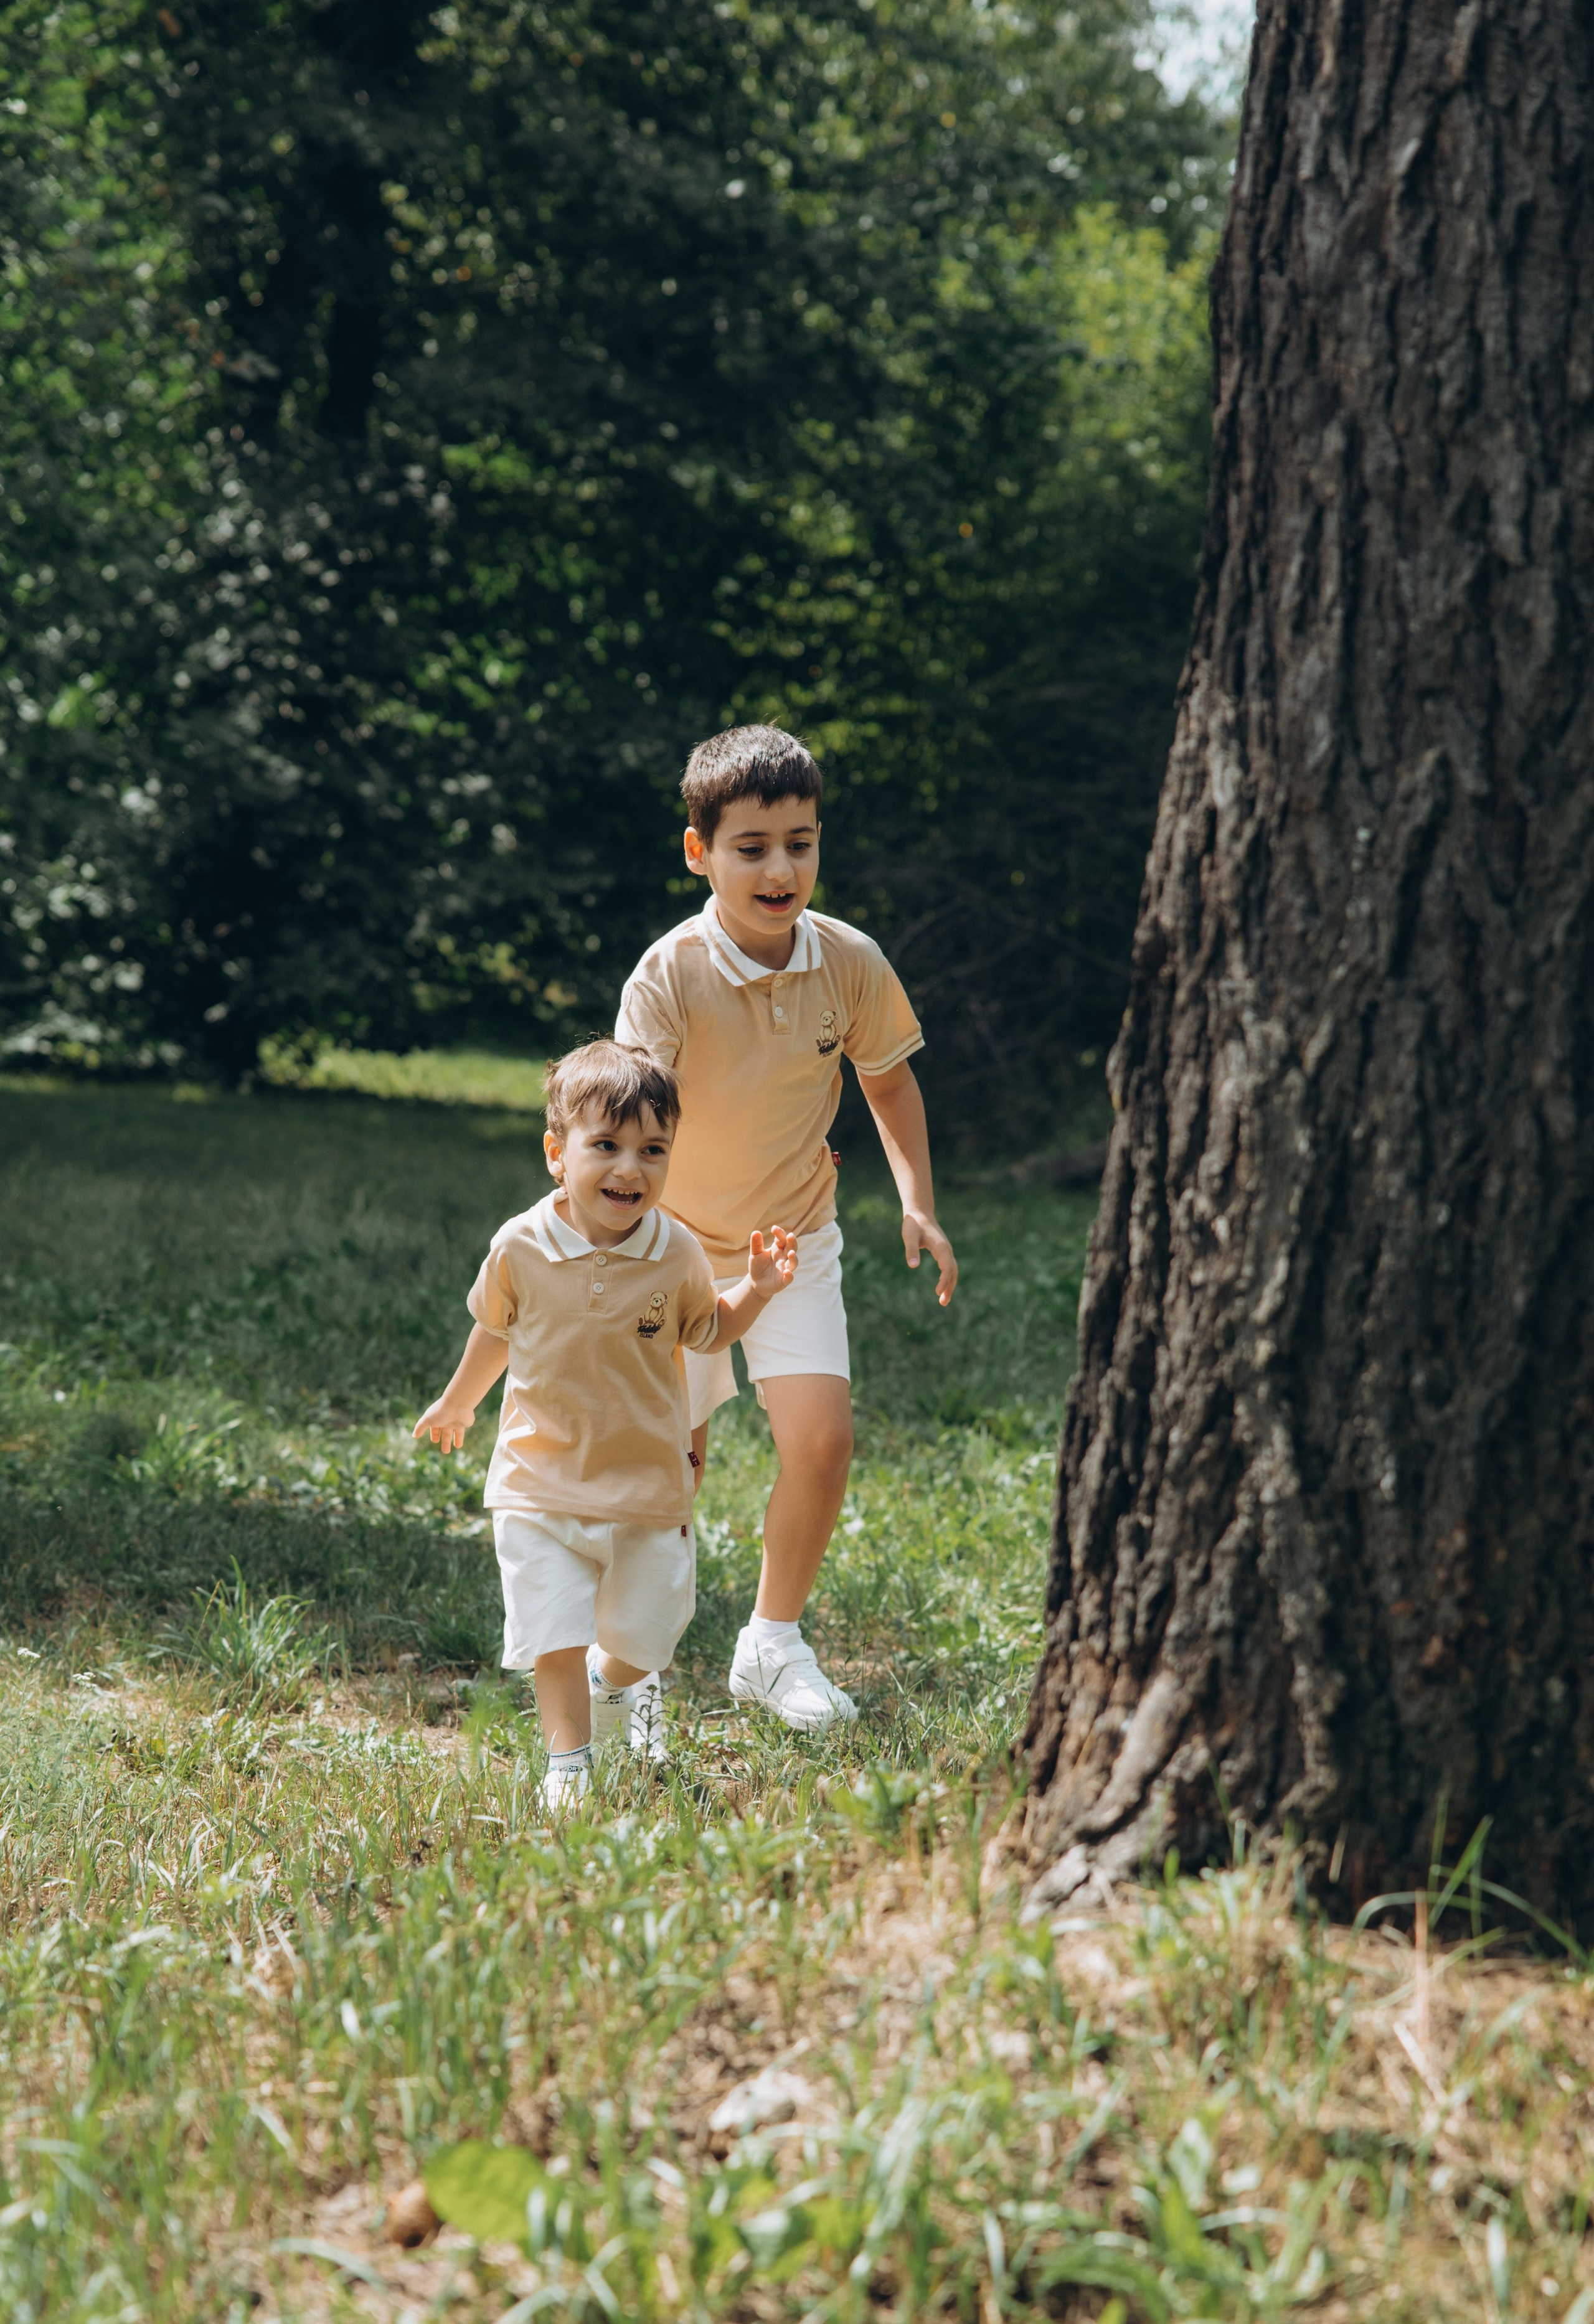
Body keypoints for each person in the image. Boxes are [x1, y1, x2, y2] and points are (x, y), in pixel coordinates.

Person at [615, 724, 958, 1733]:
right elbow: (630, 1115)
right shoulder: (670, 973)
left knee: (821, 1441)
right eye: (752, 846)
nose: (780, 868)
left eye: (800, 842)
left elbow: (887, 1080)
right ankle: (630, 1669)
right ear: (700, 854)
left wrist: (916, 1198)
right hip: (671, 1250)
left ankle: (772, 1643)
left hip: (792, 1241)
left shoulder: (848, 960)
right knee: (668, 1464)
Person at [413, 1038, 797, 1808]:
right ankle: (569, 1763)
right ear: (558, 1154)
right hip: (538, 1480)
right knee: (551, 1632)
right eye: (607, 1146)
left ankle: (614, 1683)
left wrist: (754, 1291)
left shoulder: (675, 1249)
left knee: (644, 1637)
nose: (630, 1168)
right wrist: (460, 1401)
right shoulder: (520, 1245)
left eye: (653, 1150)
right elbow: (495, 1328)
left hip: (646, 1486)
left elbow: (707, 1331)